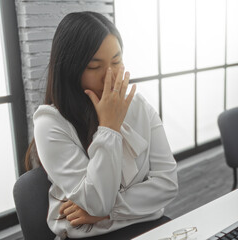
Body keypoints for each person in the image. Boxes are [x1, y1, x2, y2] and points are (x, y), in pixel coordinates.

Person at [24, 11, 179, 240]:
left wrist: (106, 214)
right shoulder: (49, 122)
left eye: (117, 61)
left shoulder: (137, 104)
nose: (111, 75)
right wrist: (109, 127)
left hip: (150, 227)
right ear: (71, 71)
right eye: (95, 67)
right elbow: (97, 202)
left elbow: (168, 185)